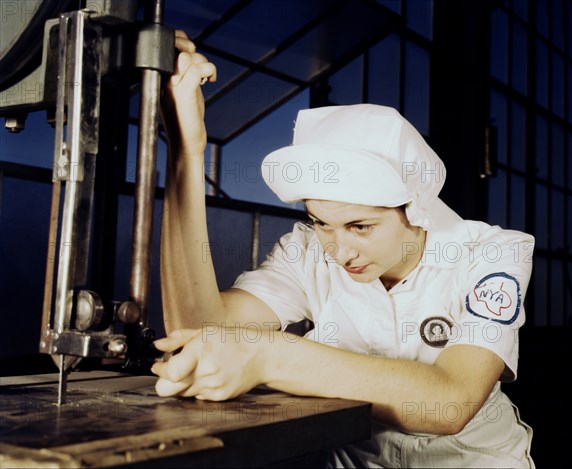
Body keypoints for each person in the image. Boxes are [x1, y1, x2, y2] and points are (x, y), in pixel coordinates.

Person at [152, 31, 535, 468]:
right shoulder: (307, 252)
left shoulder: (491, 253)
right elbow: (200, 332)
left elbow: (451, 402)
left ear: (416, 207)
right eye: (321, 223)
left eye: (361, 226)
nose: (339, 250)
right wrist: (186, 151)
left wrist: (269, 355)